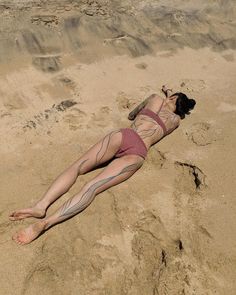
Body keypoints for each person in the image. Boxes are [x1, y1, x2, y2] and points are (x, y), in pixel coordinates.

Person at [10, 85, 196, 245]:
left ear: (171, 97)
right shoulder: (176, 122)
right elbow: (172, 105)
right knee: (92, 187)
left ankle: (41, 206)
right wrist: (171, 95)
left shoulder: (156, 99)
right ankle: (47, 223)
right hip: (138, 153)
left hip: (126, 136)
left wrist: (164, 93)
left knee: (78, 168)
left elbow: (133, 114)